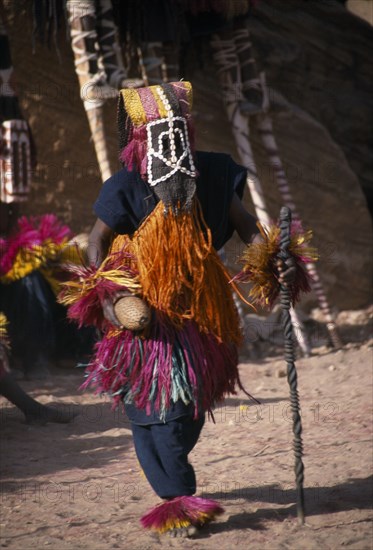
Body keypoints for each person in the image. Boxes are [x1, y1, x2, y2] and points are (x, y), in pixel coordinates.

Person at [61, 81, 295, 538]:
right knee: (156, 410)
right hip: (143, 317)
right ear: (137, 138)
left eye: (176, 130)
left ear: (187, 129)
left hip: (204, 315)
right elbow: (95, 241)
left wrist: (274, 259)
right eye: (156, 132)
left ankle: (171, 479)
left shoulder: (211, 174)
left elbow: (246, 225)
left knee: (187, 406)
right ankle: (179, 499)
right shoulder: (127, 186)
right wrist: (105, 291)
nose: (169, 140)